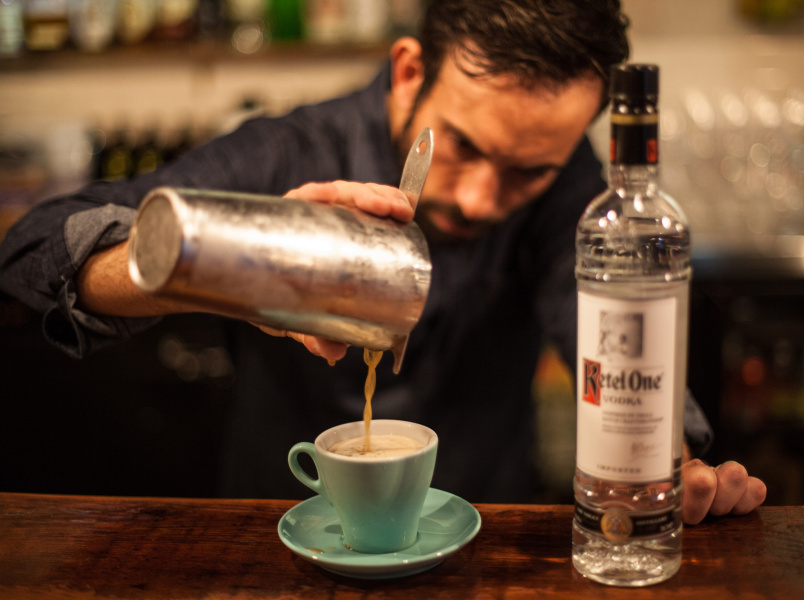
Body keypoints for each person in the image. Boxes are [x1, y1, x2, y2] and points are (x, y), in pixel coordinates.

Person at [0, 0, 765, 524]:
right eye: (463, 146)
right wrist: (229, 261)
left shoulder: (566, 182)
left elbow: (602, 322)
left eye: (527, 172)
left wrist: (665, 456)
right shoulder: (290, 152)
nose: (482, 198)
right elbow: (33, 247)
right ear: (408, 71)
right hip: (275, 536)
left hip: (477, 540)